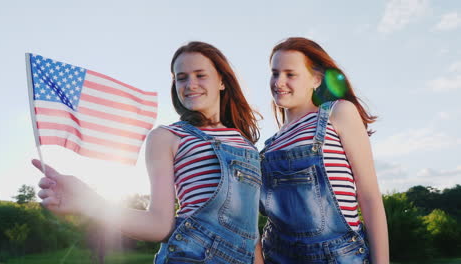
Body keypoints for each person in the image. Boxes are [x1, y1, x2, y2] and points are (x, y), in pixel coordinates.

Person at [33, 41, 264, 263]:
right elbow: (159, 225)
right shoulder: (167, 137)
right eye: (181, 78)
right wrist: (89, 202)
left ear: (222, 81)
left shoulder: (246, 144)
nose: (190, 84)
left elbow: (250, 233)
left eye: (200, 75)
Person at [258, 37, 389, 263]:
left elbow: (369, 196)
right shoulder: (270, 145)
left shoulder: (337, 113)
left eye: (290, 74)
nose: (279, 82)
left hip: (337, 256)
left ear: (316, 79)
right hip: (277, 256)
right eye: (275, 72)